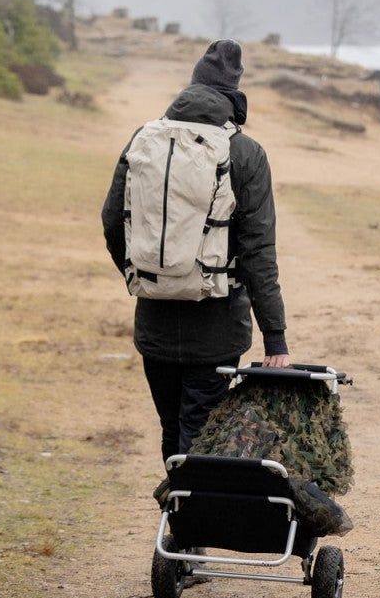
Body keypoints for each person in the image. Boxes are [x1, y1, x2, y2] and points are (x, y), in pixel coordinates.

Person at [101, 39, 290, 464]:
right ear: (234, 94)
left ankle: (180, 522)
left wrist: (144, 275)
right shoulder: (245, 152)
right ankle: (191, 524)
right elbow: (259, 251)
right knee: (201, 431)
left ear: (191, 87)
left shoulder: (144, 138)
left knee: (173, 429)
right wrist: (274, 336)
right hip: (218, 328)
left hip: (155, 323)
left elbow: (113, 221)